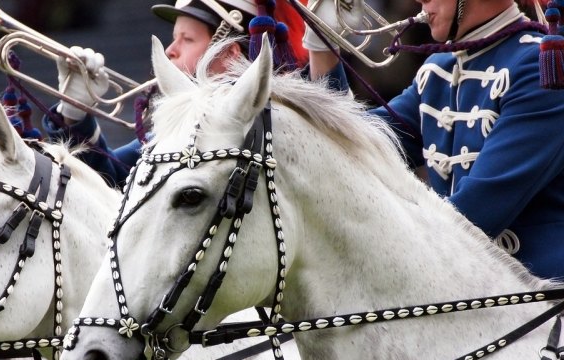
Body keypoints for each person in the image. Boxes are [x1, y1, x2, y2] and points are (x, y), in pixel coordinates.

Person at [305, 0, 564, 280]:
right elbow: (351, 147)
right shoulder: (438, 69)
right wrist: (321, 41)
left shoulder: (540, 68)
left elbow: (475, 214)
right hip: (463, 291)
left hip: (541, 300)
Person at [42, 0, 308, 188]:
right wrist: (74, 113)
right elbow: (108, 183)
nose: (170, 50)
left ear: (228, 54)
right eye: (174, 37)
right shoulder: (174, 134)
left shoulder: (281, 124)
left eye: (187, 39)